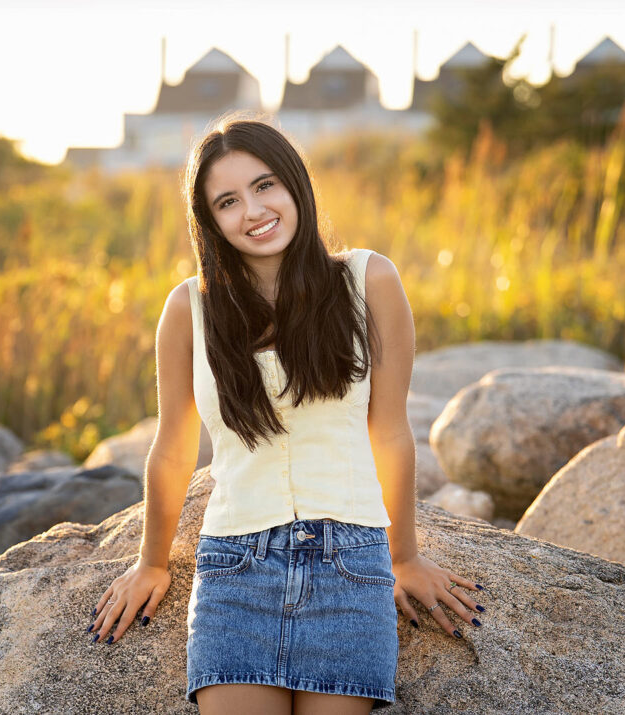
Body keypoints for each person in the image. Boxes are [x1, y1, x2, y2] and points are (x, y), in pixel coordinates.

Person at [86, 115, 486, 714]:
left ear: (296, 183)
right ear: (210, 222)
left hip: (350, 567)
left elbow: (391, 432)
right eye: (228, 201)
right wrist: (150, 562)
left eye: (265, 185)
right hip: (233, 571)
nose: (252, 210)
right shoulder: (188, 308)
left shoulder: (369, 280)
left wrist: (402, 555)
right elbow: (172, 446)